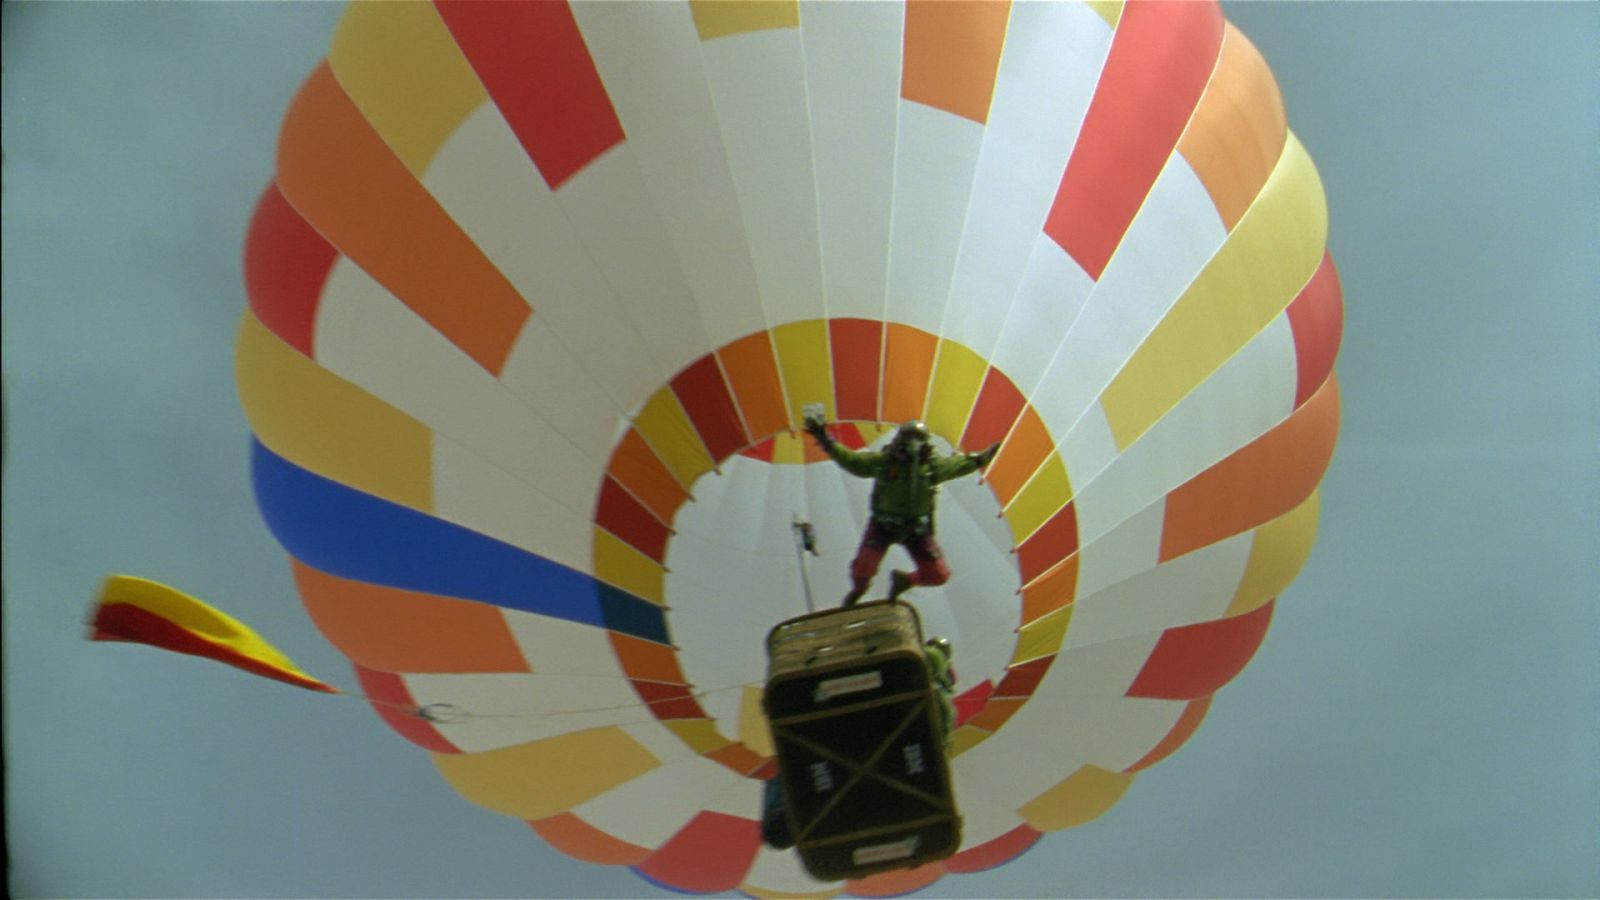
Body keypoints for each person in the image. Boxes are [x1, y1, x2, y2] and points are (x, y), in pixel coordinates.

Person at [760, 636, 959, 850]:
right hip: (889, 758)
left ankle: (784, 815)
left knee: (799, 764)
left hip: (841, 756)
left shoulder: (905, 662)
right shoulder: (927, 680)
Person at [804, 413, 998, 605]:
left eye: (917, 439)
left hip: (916, 528)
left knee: (938, 574)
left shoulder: (932, 467)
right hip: (883, 525)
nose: (912, 445)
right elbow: (852, 461)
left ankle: (904, 581)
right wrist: (825, 439)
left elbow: (961, 464)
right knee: (863, 568)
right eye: (908, 439)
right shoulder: (884, 462)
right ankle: (859, 589)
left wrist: (985, 457)